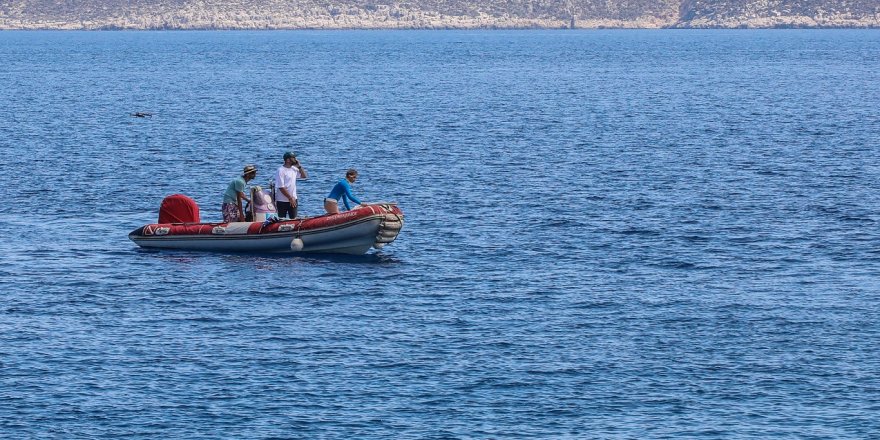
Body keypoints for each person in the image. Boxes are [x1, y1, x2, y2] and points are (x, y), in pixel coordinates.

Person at [274, 151, 308, 219]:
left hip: (293, 199)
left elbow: (304, 176)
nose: (295, 159)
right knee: (281, 219)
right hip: (282, 200)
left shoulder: (294, 169)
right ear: (288, 160)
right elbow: (281, 187)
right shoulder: (281, 170)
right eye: (293, 158)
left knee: (294, 218)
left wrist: (299, 166)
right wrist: (290, 198)